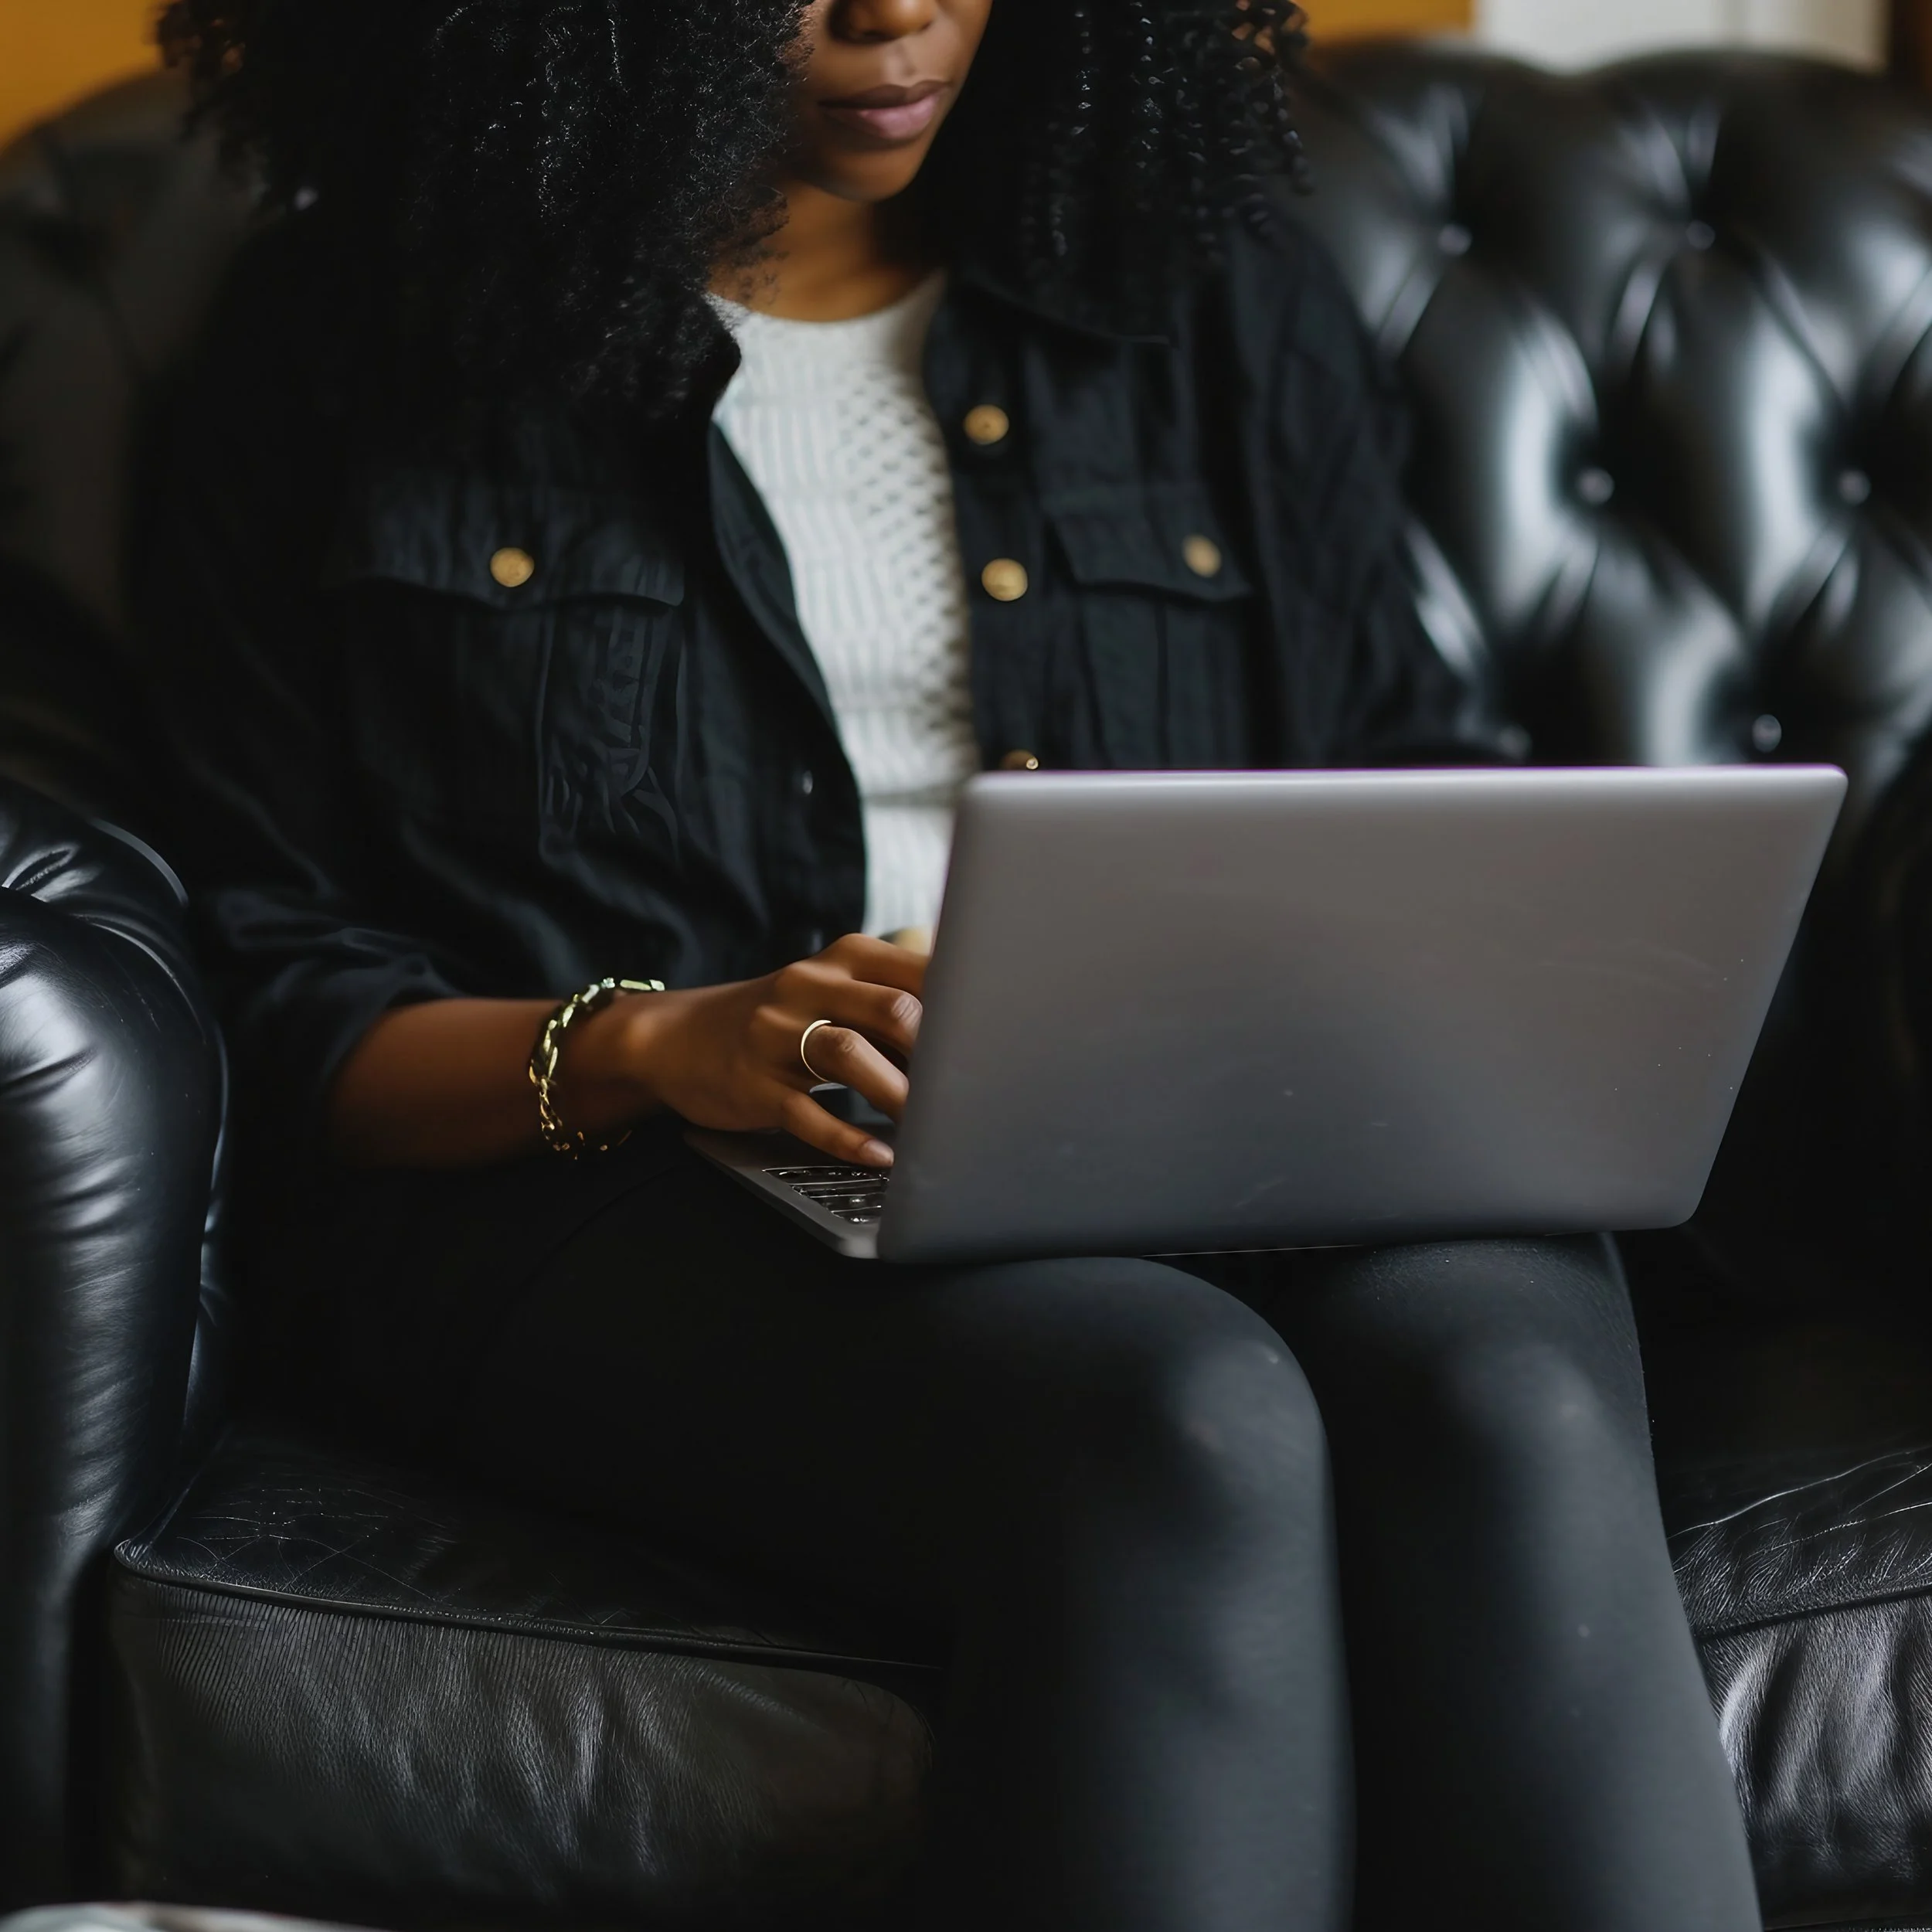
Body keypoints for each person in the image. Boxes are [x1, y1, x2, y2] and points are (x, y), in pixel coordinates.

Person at [140, 2, 1763, 1927]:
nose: (894, 12)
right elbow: (260, 976)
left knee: (1508, 1385)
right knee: (1177, 1416)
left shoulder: (1207, 288)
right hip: (616, 1187)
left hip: (1238, 1130)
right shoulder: (340, 340)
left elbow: (1389, 760)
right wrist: (665, 1041)